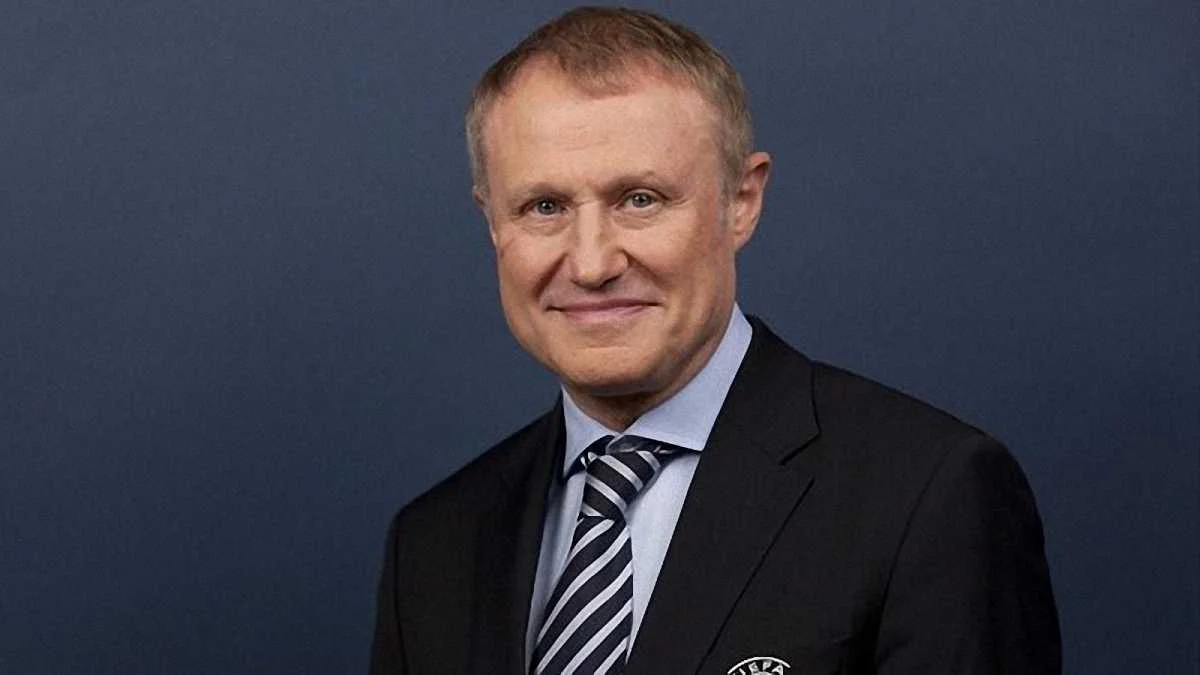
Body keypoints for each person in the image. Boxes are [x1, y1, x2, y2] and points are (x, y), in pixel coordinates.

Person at [370, 7, 1060, 674]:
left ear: (741, 202)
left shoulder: (927, 494)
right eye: (544, 207)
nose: (591, 263)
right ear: (493, 221)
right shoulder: (434, 544)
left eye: (639, 199)